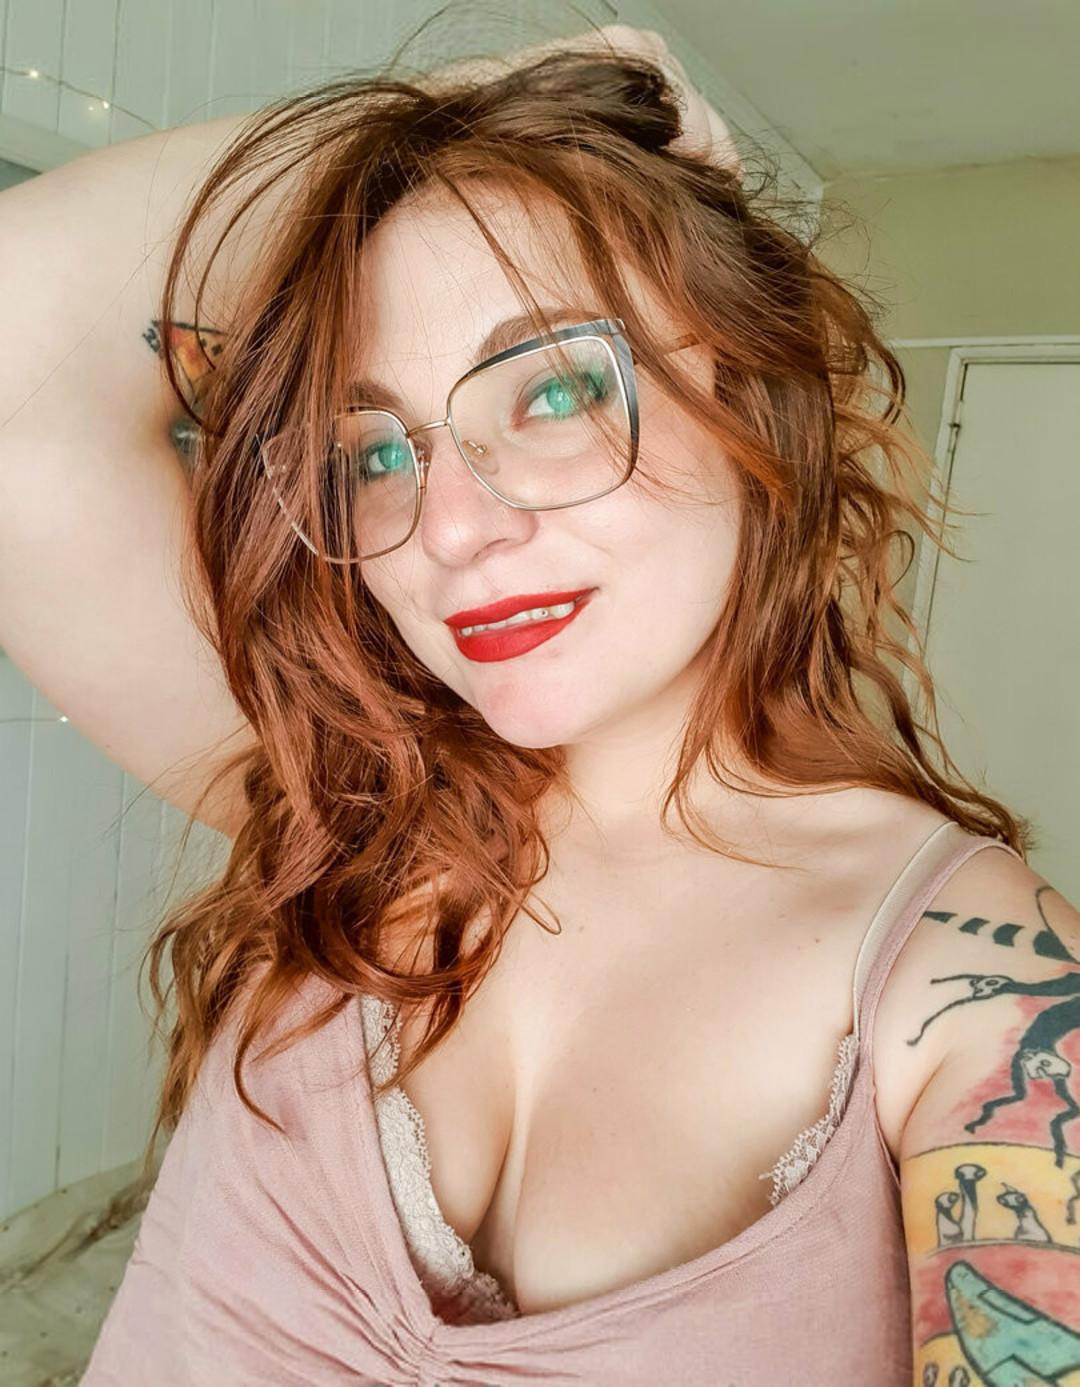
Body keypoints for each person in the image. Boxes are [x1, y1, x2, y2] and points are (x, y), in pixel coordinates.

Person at [1, 22, 1077, 1387]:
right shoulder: (352, 800)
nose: (451, 527)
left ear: (753, 398)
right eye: (372, 451)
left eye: (557, 388)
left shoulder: (974, 993)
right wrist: (452, 122)